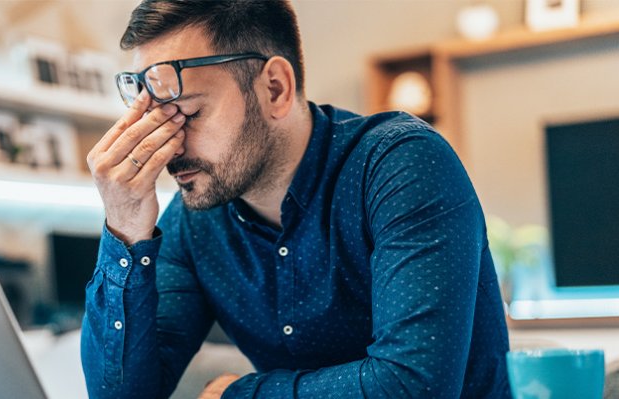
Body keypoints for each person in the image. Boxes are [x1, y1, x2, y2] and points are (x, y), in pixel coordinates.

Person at [82, 1, 510, 398]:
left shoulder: (402, 166)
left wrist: (241, 394)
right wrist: (124, 226)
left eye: (189, 114)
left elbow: (413, 386)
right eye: (157, 120)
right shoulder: (195, 221)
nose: (171, 147)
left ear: (274, 88)